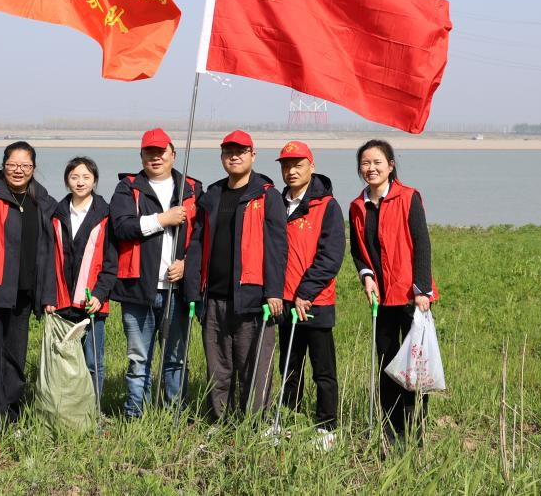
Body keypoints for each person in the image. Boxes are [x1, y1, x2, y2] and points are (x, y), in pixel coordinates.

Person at [183, 130, 286, 420]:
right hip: (214, 297)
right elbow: (197, 244)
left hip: (252, 298)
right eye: (229, 152)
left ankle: (255, 424)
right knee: (218, 367)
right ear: (222, 157)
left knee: (254, 366)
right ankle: (220, 420)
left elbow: (277, 247)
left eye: (241, 151)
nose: (235, 156)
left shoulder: (266, 195)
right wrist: (193, 291)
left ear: (253, 155)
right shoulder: (212, 195)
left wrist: (274, 291)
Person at [108, 128, 202, 417]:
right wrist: (163, 219)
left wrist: (186, 263)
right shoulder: (127, 188)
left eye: (161, 152)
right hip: (138, 289)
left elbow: (201, 237)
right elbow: (121, 226)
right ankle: (135, 415)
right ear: (141, 156)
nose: (156, 157)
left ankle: (176, 415)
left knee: (175, 358)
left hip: (177, 291)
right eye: (150, 152)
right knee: (139, 359)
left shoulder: (192, 188)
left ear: (173, 154)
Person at [347, 139, 436, 443]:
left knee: (413, 367)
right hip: (381, 298)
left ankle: (415, 430)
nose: (371, 168)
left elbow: (422, 243)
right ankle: (390, 429)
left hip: (412, 297)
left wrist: (422, 290)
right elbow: (358, 250)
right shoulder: (357, 206)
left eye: (377, 162)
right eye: (365, 163)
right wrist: (366, 275)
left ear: (390, 166)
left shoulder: (408, 197)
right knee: (386, 364)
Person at [0, 141, 56, 429]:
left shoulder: (42, 200)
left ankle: (10, 415)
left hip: (24, 294)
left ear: (34, 168)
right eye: (12, 165)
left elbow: (50, 248)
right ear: (3, 165)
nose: (19, 170)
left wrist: (47, 294)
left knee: (15, 357)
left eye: (25, 165)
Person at [274, 140, 344, 435]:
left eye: (298, 165)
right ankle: (287, 419)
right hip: (284, 301)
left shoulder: (326, 205)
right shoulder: (277, 203)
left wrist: (306, 292)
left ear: (311, 166)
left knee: (323, 370)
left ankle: (327, 427)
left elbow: (331, 256)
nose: (291, 171)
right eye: (286, 165)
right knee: (289, 367)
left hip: (315, 301)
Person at [41, 156, 118, 399]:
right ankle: (66, 409)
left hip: (92, 302)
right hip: (62, 302)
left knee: (93, 362)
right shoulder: (56, 214)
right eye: (74, 177)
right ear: (67, 181)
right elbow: (47, 259)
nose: (80, 182)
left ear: (95, 181)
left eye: (86, 177)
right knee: (63, 360)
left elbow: (111, 262)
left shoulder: (106, 215)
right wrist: (49, 296)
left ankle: (92, 411)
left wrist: (99, 294)